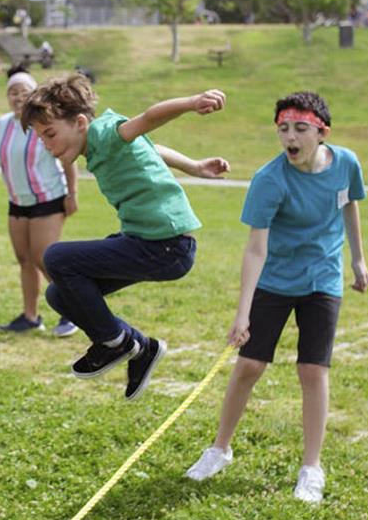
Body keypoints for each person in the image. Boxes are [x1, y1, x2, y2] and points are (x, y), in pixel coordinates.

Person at [185, 92, 368, 504]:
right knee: (249, 364)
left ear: (322, 133)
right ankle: (219, 449)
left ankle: (311, 468)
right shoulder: (269, 180)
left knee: (312, 371)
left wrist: (358, 260)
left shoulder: (346, 164)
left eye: (300, 129)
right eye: (284, 129)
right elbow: (255, 249)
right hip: (275, 279)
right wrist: (242, 314)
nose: (290, 137)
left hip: (322, 279)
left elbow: (349, 205)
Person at [20, 74, 229, 400]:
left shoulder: (105, 131)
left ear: (79, 122)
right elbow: (150, 147)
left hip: (166, 245)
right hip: (148, 243)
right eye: (40, 139)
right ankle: (141, 348)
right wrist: (194, 166)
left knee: (56, 257)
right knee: (59, 296)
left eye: (50, 134)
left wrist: (191, 103)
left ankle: (116, 343)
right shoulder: (100, 145)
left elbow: (148, 120)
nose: (46, 145)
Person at [0, 67, 78, 336]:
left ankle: (71, 312)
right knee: (24, 259)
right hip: (18, 202)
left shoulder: (44, 122)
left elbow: (66, 159)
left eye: (23, 91)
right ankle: (30, 316)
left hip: (48, 198)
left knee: (44, 258)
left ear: (34, 95)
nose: (17, 97)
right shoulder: (1, 124)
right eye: (12, 92)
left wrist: (72, 194)